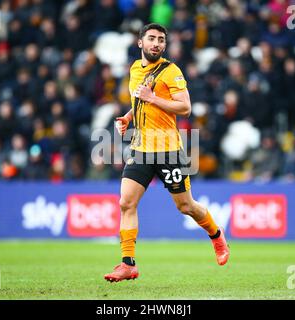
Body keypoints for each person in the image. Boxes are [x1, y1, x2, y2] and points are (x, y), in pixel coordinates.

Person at [104, 23, 229, 282]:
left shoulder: (171, 71)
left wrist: (153, 98)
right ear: (140, 42)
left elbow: (185, 108)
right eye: (151, 38)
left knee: (186, 206)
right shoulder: (135, 69)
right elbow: (139, 100)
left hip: (168, 150)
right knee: (126, 202)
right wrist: (129, 117)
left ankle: (217, 236)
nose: (156, 43)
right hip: (141, 148)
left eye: (161, 39)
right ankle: (128, 263)